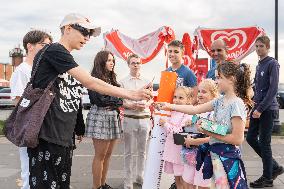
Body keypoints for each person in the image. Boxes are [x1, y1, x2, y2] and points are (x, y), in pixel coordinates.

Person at [26, 13, 152, 189]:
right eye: (84, 31)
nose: (87, 38)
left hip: (61, 135)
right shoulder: (54, 51)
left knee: (61, 182)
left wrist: (78, 127)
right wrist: (131, 94)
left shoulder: (66, 59)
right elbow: (90, 82)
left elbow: (73, 96)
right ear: (68, 29)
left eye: (90, 34)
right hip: (48, 134)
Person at [156, 62, 252, 189]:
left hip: (227, 159)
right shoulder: (219, 101)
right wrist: (168, 106)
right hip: (215, 155)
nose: (216, 81)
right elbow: (195, 109)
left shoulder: (236, 104)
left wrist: (210, 133)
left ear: (231, 79)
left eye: (219, 77)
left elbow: (237, 139)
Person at [10, 30, 53, 189]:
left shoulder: (41, 69)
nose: (47, 49)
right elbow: (18, 103)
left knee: (43, 172)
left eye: (49, 46)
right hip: (29, 129)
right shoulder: (22, 71)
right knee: (29, 172)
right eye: (43, 45)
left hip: (45, 128)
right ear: (30, 46)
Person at [246, 35, 284, 188]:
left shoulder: (272, 63)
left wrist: (260, 109)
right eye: (257, 46)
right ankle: (274, 167)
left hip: (267, 110)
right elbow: (257, 89)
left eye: (261, 46)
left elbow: (273, 89)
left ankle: (267, 177)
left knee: (264, 143)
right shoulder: (259, 64)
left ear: (268, 47)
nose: (258, 49)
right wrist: (252, 106)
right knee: (250, 138)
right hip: (257, 108)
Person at [85, 50, 124, 189]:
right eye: (108, 60)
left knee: (107, 155)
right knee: (100, 155)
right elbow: (100, 100)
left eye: (113, 60)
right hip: (100, 116)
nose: (112, 63)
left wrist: (115, 101)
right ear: (101, 62)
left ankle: (103, 184)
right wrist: (116, 100)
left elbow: (120, 100)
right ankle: (96, 187)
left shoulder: (112, 79)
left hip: (113, 116)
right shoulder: (94, 78)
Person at [120, 54, 153, 189]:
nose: (136, 65)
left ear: (141, 64)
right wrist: (131, 105)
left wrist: (146, 104)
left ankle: (140, 177)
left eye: (138, 62)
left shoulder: (147, 80)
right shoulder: (122, 82)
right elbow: (121, 101)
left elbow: (151, 98)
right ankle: (128, 180)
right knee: (128, 152)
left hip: (144, 119)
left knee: (142, 151)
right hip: (129, 118)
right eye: (133, 63)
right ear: (128, 65)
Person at [182, 79, 218, 189]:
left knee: (203, 185)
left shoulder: (214, 114)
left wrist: (194, 141)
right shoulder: (197, 110)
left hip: (205, 157)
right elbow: (195, 131)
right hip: (191, 156)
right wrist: (189, 125)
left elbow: (214, 138)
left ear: (213, 94)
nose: (200, 94)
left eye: (204, 92)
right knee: (187, 182)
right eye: (199, 91)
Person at [159, 86, 194, 189]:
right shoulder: (172, 111)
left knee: (184, 180)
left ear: (188, 100)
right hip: (172, 151)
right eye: (175, 97)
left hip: (180, 152)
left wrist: (165, 124)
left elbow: (179, 132)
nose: (176, 100)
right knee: (177, 179)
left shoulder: (187, 114)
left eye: (181, 98)